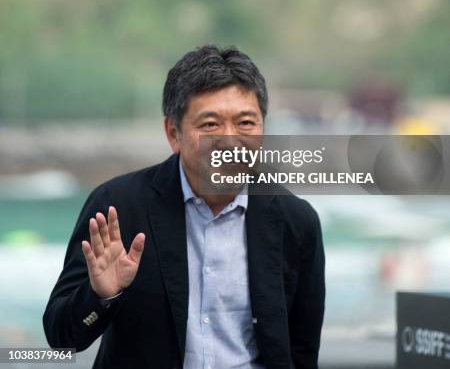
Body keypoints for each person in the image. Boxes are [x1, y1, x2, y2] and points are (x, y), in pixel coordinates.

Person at [43, 45, 325, 369]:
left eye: (246, 123)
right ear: (173, 133)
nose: (230, 140)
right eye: (209, 125)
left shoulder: (296, 220)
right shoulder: (116, 208)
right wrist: (102, 295)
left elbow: (302, 352)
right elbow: (60, 335)